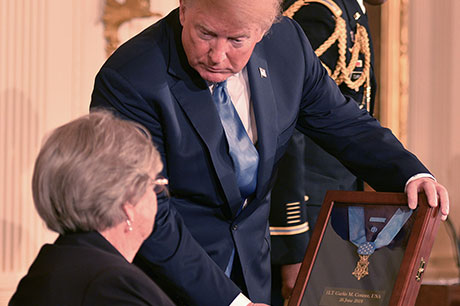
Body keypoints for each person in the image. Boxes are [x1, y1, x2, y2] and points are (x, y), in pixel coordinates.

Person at [90, 0, 449, 305]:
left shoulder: (287, 45)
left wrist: (410, 173)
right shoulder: (131, 77)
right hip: (163, 286)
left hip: (253, 275)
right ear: (184, 8)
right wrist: (231, 302)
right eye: (206, 34)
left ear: (263, 31)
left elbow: (342, 122)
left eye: (236, 40)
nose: (217, 55)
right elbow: (143, 211)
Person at [269, 0, 385, 303]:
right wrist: (291, 241)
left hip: (333, 215)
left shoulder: (351, 11)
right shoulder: (317, 11)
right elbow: (287, 129)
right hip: (308, 220)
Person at [9, 111, 174, 306]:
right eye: (154, 184)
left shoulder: (52, 264)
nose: (157, 194)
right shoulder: (112, 286)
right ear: (128, 201)